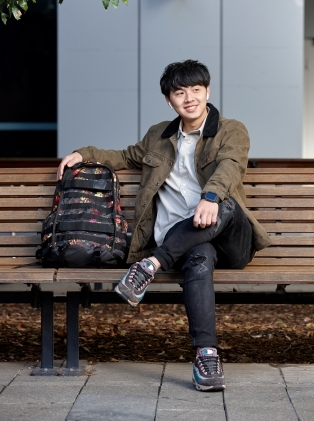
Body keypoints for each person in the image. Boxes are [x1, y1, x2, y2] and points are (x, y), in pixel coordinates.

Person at [57, 59, 271, 392]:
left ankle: (150, 265)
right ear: (169, 99)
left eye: (197, 90)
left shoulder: (231, 130)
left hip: (230, 237)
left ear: (208, 91)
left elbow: (230, 167)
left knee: (224, 205)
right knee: (198, 255)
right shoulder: (159, 135)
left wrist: (210, 197)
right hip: (184, 242)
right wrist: (83, 153)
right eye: (180, 92)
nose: (190, 98)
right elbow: (125, 156)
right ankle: (206, 355)